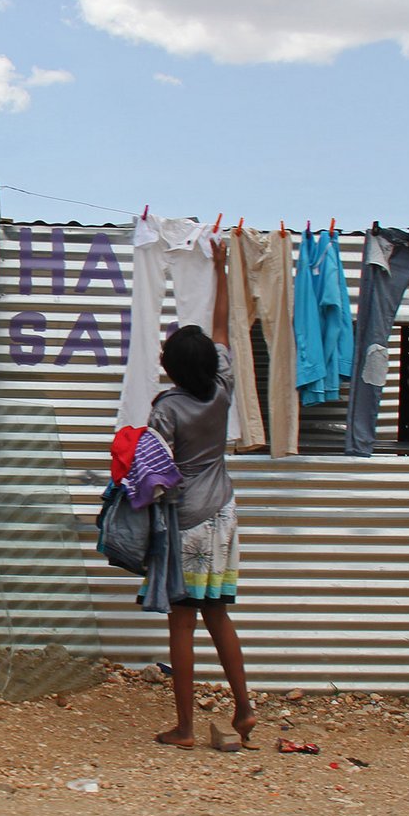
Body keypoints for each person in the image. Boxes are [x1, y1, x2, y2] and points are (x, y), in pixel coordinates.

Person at [143, 238, 257, 751]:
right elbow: (219, 328)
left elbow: (157, 475)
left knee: (182, 626)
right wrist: (220, 267)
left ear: (172, 370)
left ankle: (186, 729)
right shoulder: (223, 383)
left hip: (187, 522)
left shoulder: (166, 410)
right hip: (225, 515)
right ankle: (245, 706)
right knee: (219, 615)